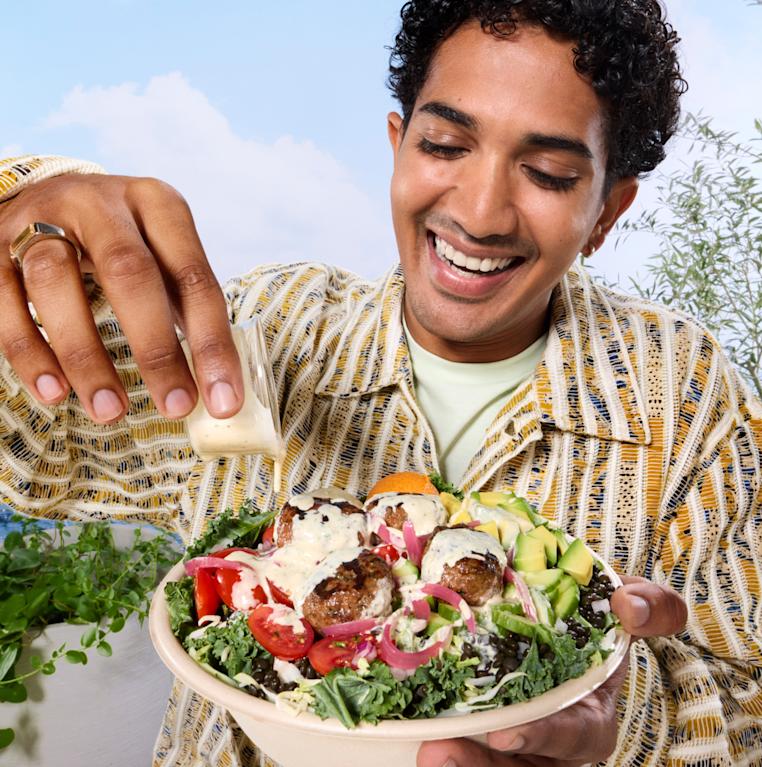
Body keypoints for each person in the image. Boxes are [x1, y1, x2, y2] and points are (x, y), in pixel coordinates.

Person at [0, 1, 759, 765]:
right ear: (398, 145)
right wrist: (24, 208)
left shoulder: (687, 399)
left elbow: (748, 708)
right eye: (445, 143)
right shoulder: (271, 327)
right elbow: (28, 458)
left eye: (549, 173)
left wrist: (616, 720)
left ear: (606, 211)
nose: (480, 211)